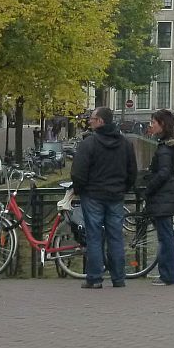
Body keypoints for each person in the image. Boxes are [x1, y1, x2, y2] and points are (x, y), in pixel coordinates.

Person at [71, 106, 137, 289]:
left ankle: (94, 278)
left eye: (92, 118)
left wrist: (79, 189)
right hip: (115, 196)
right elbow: (132, 171)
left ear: (100, 121)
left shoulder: (89, 144)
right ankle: (118, 278)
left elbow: (78, 171)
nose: (89, 121)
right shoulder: (125, 144)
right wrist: (123, 188)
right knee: (115, 236)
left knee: (93, 236)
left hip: (93, 195)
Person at [143, 109, 174, 286]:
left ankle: (168, 275)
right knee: (165, 235)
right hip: (166, 196)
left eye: (153, 122)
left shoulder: (166, 150)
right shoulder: (167, 146)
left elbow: (164, 173)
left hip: (163, 197)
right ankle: (167, 274)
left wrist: (149, 188)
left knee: (165, 236)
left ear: (162, 125)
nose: (150, 125)